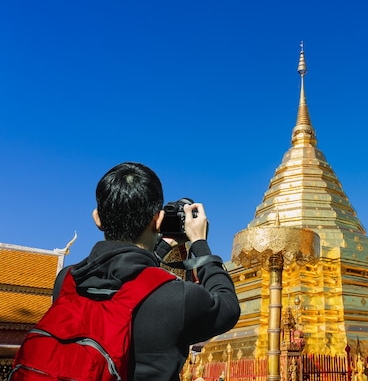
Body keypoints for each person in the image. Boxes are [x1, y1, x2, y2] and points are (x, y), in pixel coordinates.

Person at [53, 162, 241, 380]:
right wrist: (199, 242)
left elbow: (124, 277)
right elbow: (228, 306)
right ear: (158, 220)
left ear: (98, 218)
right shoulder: (175, 297)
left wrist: (160, 247)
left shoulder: (66, 281)